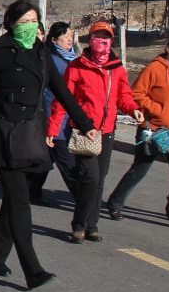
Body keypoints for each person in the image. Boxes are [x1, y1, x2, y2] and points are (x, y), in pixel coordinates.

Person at [0, 0, 97, 290]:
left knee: (13, 199)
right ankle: (33, 270)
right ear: (11, 23)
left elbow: (62, 91)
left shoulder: (41, 51)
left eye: (34, 21)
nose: (30, 26)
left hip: (32, 133)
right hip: (6, 133)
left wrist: (86, 123)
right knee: (20, 201)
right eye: (24, 22)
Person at [48, 21, 143, 243]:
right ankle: (79, 224)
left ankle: (92, 225)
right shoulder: (77, 66)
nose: (101, 41)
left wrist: (134, 110)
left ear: (111, 41)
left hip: (107, 131)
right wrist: (53, 128)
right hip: (84, 131)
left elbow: (124, 96)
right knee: (89, 178)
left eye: (106, 37)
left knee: (99, 180)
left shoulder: (116, 68)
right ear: (90, 40)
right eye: (97, 36)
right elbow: (63, 100)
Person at [104, 34, 169, 230]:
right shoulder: (154, 69)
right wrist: (157, 110)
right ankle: (115, 203)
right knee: (140, 169)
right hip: (152, 130)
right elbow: (136, 94)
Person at [30, 22, 82, 207]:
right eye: (65, 36)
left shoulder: (72, 59)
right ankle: (84, 199)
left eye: (71, 35)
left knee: (46, 158)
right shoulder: (53, 61)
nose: (69, 39)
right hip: (55, 118)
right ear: (54, 40)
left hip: (66, 118)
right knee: (68, 162)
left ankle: (31, 191)